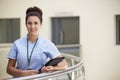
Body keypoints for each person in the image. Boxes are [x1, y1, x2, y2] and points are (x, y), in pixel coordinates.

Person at [7, 6, 68, 77]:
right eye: (29, 23)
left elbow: (64, 64)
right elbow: (9, 68)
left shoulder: (47, 44)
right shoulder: (17, 44)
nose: (32, 27)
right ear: (26, 24)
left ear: (41, 24)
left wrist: (53, 68)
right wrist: (23, 73)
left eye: (36, 23)